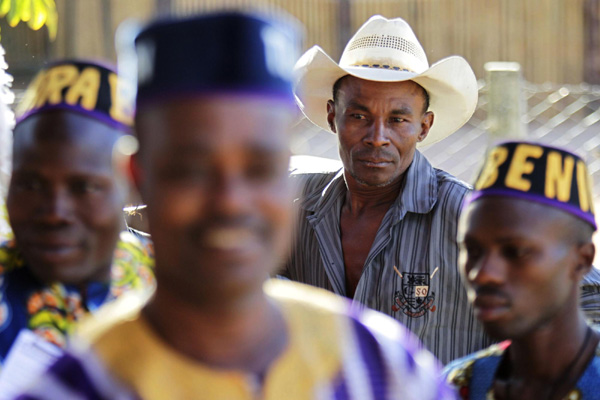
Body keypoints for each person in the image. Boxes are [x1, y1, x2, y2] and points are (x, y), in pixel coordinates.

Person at [17, 12, 452, 400]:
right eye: (191, 169)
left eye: (260, 168)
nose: (229, 201)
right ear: (138, 177)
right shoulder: (79, 385)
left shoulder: (383, 365)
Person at [284, 14, 484, 364]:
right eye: (359, 117)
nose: (378, 138)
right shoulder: (296, 207)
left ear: (424, 126)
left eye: (398, 120)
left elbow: (586, 302)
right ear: (333, 117)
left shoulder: (467, 215)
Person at [0, 60, 155, 363]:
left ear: (131, 184)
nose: (55, 214)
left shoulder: (178, 291)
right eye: (30, 185)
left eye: (85, 187)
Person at [444, 141, 600, 399]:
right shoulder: (455, 385)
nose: (482, 274)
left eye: (515, 252)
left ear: (582, 260)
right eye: (472, 251)